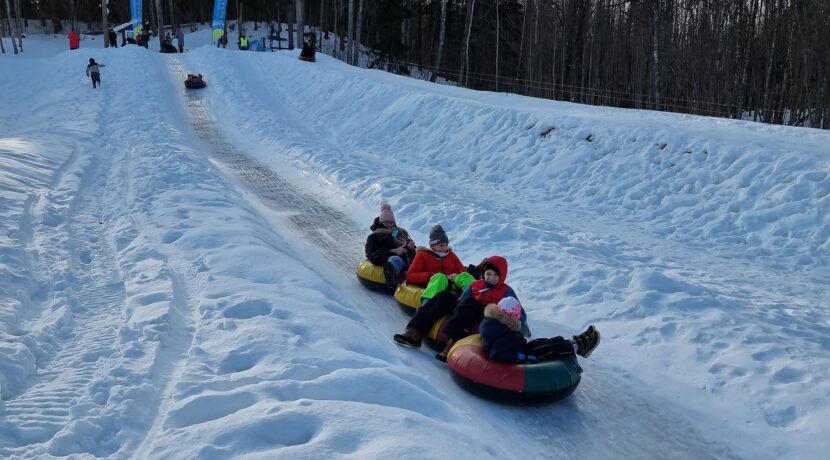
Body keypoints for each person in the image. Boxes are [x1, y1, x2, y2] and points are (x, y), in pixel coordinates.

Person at [395, 255, 522, 361]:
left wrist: (504, 318)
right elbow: (462, 300)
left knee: (470, 302)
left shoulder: (506, 291)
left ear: (502, 276)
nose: (491, 278)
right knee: (445, 296)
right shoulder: (475, 285)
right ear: (483, 273)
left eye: (495, 275)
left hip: (485, 315)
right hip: (466, 308)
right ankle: (414, 333)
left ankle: (451, 344)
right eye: (488, 274)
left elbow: (518, 312)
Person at [480, 297, 601, 363]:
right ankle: (578, 348)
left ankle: (573, 341)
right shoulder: (504, 333)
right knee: (545, 350)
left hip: (518, 348)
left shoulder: (495, 323)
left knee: (540, 342)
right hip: (519, 354)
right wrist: (523, 357)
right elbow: (497, 353)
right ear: (511, 318)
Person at [405, 224, 471, 301]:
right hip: (433, 285)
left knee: (465, 276)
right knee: (440, 277)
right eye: (441, 245)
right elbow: (410, 276)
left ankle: (477, 301)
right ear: (432, 246)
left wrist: (456, 275)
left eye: (446, 245)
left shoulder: (451, 255)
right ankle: (428, 305)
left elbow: (461, 270)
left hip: (451, 284)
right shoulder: (422, 255)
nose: (445, 248)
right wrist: (431, 275)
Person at [365, 203, 416, 288]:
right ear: (381, 222)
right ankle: (393, 276)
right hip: (392, 260)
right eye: (387, 222)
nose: (390, 225)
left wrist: (409, 243)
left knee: (421, 255)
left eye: (392, 222)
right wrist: (393, 251)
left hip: (407, 260)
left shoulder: (398, 233)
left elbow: (405, 241)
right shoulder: (374, 237)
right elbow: (371, 253)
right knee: (395, 260)